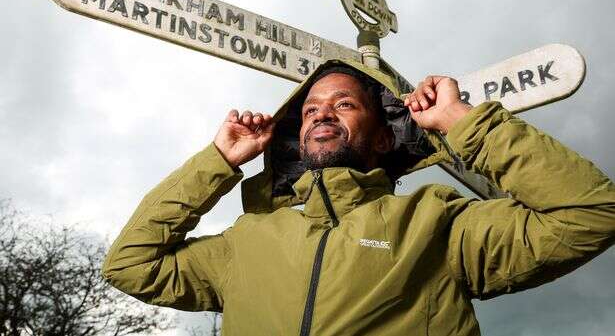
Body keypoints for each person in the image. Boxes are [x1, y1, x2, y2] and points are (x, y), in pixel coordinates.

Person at [103, 59, 615, 336]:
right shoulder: (247, 241)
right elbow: (129, 265)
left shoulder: (436, 220)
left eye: (343, 104)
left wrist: (462, 124)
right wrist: (218, 161)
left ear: (383, 137)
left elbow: (591, 212)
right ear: (296, 141)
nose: (321, 113)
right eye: (309, 110)